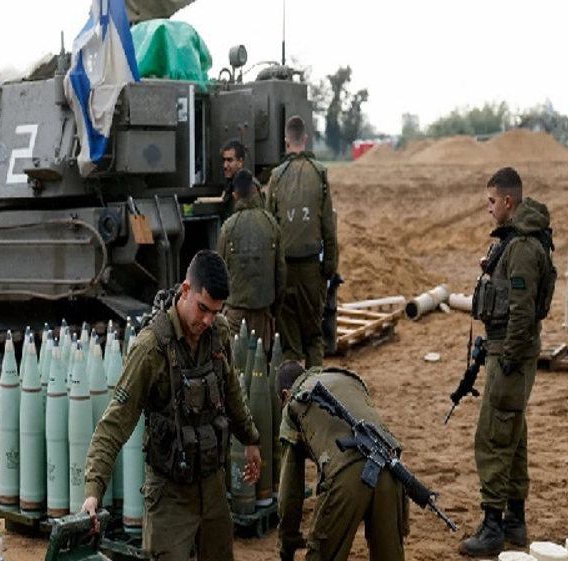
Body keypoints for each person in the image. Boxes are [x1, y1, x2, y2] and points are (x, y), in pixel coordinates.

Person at [81, 250, 262, 561]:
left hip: (213, 485)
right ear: (186, 289)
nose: (207, 320)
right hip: (169, 495)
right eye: (203, 308)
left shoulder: (217, 333)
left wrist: (250, 439)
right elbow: (114, 424)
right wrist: (93, 491)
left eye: (215, 312)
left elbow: (231, 390)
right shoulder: (150, 348)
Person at [460, 167, 555, 557]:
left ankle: (493, 525)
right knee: (512, 436)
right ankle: (515, 519)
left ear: (509, 202)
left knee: (493, 438)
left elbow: (521, 313)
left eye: (492, 202)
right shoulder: (519, 244)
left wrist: (510, 360)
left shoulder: (521, 248)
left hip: (509, 354)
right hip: (507, 351)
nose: (489, 209)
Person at [274, 361, 408, 561]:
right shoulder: (347, 379)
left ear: (285, 394)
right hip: (391, 469)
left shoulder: (295, 402)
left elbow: (290, 492)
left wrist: (288, 542)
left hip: (347, 476)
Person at [266, 115, 338, 368]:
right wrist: (329, 267)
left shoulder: (276, 176)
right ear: (305, 139)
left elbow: (270, 228)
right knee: (314, 337)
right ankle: (317, 391)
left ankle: (293, 394)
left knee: (290, 344)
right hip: (311, 271)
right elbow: (328, 226)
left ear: (286, 142)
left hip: (284, 270)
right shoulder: (319, 173)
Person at [216, 168, 286, 356]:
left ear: (235, 195)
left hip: (234, 314)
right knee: (260, 367)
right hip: (262, 313)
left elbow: (219, 274)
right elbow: (280, 275)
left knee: (234, 367)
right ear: (255, 192)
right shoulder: (271, 224)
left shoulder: (228, 227)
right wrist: (273, 310)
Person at [220, 138, 264, 211]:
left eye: (229, 160)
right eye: (224, 160)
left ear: (240, 162)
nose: (225, 165)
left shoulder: (250, 185)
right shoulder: (231, 184)